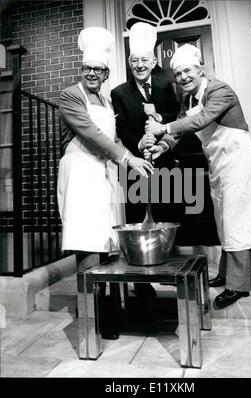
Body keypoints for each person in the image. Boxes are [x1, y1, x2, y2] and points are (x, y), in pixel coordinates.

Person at [144, 43, 251, 309]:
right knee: (224, 218)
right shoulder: (188, 99)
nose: (183, 78)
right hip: (218, 162)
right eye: (179, 74)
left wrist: (161, 127)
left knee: (237, 219)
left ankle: (239, 286)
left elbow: (201, 120)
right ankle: (227, 274)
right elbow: (179, 132)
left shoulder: (219, 90)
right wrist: (163, 145)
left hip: (238, 160)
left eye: (188, 71)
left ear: (201, 68)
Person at [57, 27, 153, 339]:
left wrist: (145, 146)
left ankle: (110, 313)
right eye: (87, 69)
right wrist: (127, 160)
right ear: (81, 70)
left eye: (98, 70)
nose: (92, 74)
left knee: (108, 244)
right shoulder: (71, 96)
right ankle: (90, 318)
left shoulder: (106, 100)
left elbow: (112, 138)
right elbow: (91, 134)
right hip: (81, 171)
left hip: (103, 172)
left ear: (106, 72)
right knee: (87, 242)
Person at [111, 22, 179, 299]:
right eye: (134, 61)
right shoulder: (118, 93)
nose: (140, 65)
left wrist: (160, 128)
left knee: (169, 213)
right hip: (136, 166)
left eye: (144, 60)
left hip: (166, 160)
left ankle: (171, 271)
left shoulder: (169, 84)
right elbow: (122, 129)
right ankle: (141, 281)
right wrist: (139, 144)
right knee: (138, 217)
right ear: (130, 63)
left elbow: (180, 118)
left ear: (153, 61)